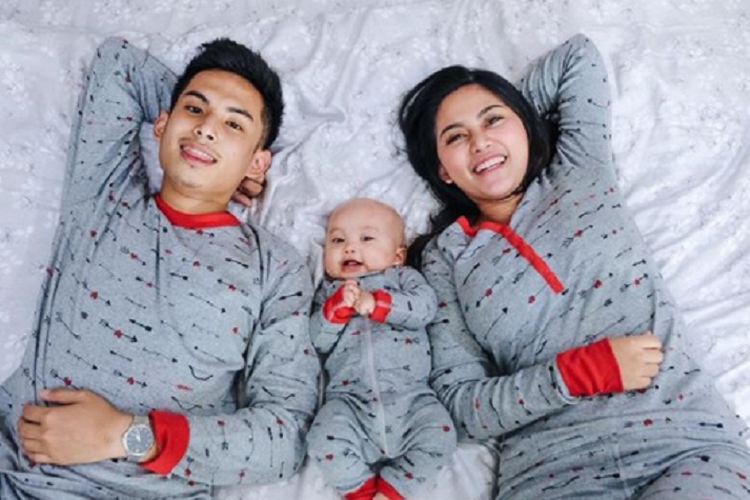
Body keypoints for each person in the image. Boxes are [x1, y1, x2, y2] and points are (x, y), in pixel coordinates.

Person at [398, 34, 750, 499]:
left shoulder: (579, 169)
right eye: (456, 137)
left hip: (684, 441)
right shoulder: (445, 259)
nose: (480, 142)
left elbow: (577, 58)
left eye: (493, 120)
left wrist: (516, 122)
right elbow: (462, 408)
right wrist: (572, 375)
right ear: (443, 170)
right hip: (552, 472)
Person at [0, 36, 320, 499]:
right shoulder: (105, 193)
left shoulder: (274, 267)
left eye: (234, 124)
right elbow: (119, 64)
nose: (206, 128)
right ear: (162, 124)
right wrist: (215, 142)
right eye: (195, 109)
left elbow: (284, 438)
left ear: (259, 163)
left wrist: (125, 435)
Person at [306, 198, 456, 500]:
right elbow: (317, 341)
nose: (350, 248)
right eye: (338, 240)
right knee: (321, 438)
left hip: (411, 397)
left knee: (441, 435)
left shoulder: (403, 278)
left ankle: (395, 489)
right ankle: (359, 490)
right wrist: (335, 312)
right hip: (350, 401)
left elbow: (425, 309)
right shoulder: (329, 292)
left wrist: (379, 304)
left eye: (366, 238)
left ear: (398, 255)